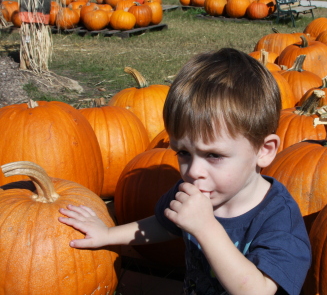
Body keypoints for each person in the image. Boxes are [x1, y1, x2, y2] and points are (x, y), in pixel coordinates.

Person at [58, 48, 311, 295]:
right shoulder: (197, 190)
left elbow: (260, 290)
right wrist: (107, 234)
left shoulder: (278, 219)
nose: (193, 171)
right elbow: (162, 224)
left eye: (214, 155)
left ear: (264, 150)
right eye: (183, 153)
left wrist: (206, 228)